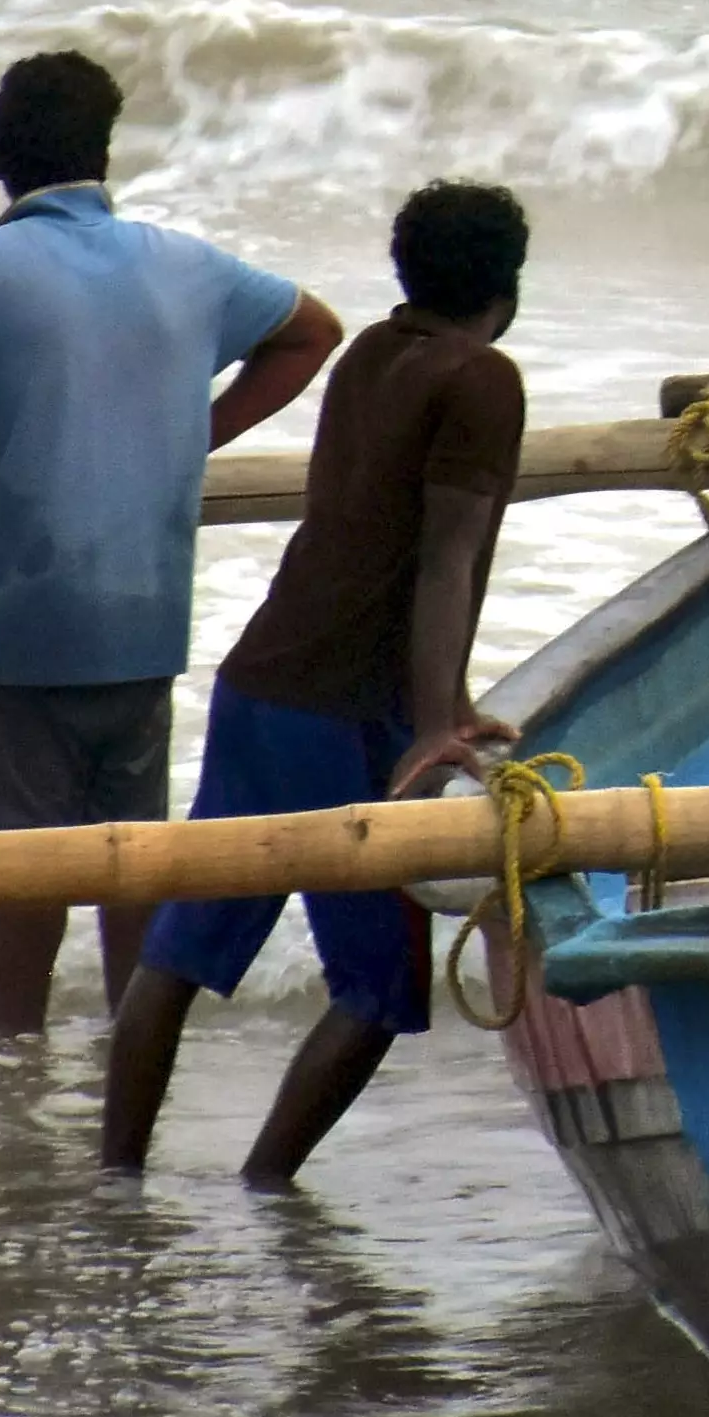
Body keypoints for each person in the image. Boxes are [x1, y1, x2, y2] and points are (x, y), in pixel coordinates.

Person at [0, 49, 342, 1037]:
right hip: (143, 619)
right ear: (104, 154)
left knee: (21, 876)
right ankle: (132, 1068)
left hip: (22, 627)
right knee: (129, 864)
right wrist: (197, 431)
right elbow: (313, 331)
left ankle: (17, 1071)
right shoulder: (188, 264)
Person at [99, 182, 532, 1185]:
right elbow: (444, 558)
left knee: (184, 949)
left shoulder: (370, 356)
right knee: (381, 984)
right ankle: (266, 1185)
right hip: (338, 716)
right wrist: (438, 727)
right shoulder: (483, 380)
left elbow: (375, 539)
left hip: (261, 686)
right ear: (508, 282)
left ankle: (116, 1179)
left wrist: (440, 707)